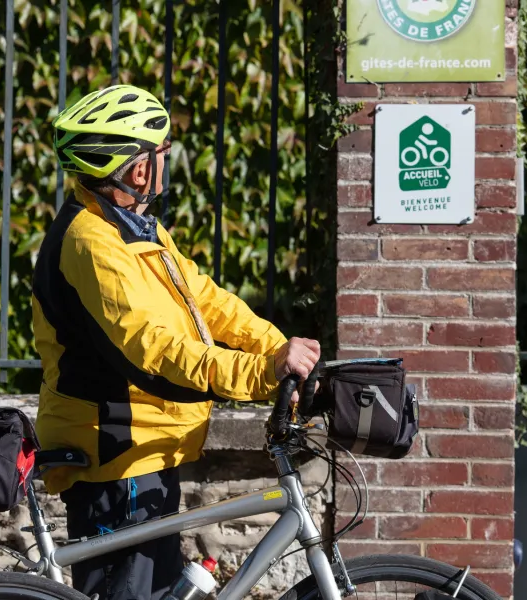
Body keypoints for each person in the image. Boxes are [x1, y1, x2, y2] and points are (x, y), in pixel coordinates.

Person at [31, 84, 320, 600]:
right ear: (138, 169)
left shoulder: (134, 229)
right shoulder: (90, 242)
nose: (166, 163)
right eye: (161, 153)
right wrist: (260, 374)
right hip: (115, 460)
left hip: (146, 452)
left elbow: (207, 301)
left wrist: (279, 350)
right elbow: (154, 348)